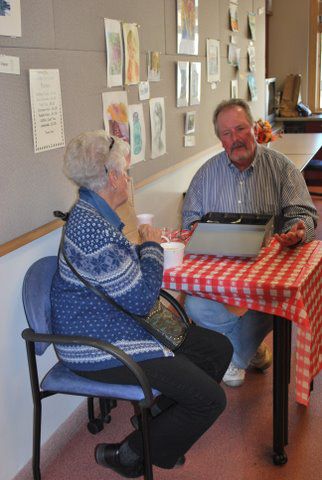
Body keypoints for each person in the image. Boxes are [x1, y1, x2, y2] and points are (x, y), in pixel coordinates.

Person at [51, 130, 233, 478]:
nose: (129, 180)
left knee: (217, 349)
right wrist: (151, 248)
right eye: (127, 173)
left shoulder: (92, 212)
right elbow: (141, 299)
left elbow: (115, 273)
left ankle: (157, 421)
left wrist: (143, 250)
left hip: (114, 325)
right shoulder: (91, 227)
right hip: (97, 346)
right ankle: (129, 453)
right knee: (211, 400)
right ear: (112, 177)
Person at [182, 98, 318, 388]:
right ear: (220, 141)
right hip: (220, 271)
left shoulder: (281, 168)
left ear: (255, 129)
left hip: (266, 271)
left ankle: (235, 358)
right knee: (195, 305)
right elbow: (189, 222)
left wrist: (298, 231)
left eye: (240, 128)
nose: (235, 138)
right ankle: (249, 350)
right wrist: (195, 230)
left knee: (280, 301)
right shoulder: (206, 175)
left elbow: (304, 214)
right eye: (226, 133)